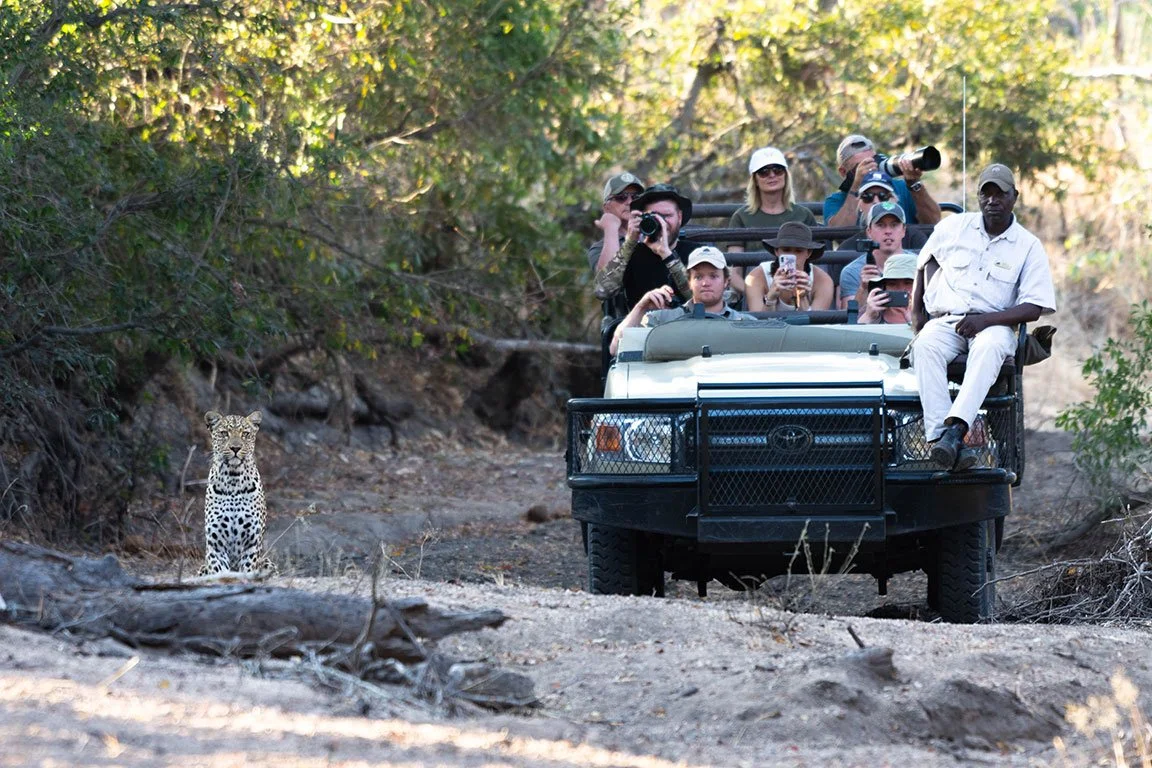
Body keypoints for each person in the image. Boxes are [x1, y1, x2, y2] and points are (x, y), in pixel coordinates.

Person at [910, 163, 1056, 471]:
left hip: (996, 324)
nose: (992, 200)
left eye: (1000, 193)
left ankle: (954, 431)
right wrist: (918, 319)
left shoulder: (1028, 245)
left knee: (989, 348)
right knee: (925, 346)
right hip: (949, 319)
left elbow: (1033, 307)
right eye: (986, 193)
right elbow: (923, 266)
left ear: (1014, 196)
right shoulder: (954, 227)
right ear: (978, 197)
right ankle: (943, 443)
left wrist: (985, 321)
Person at [610, 247, 750, 355]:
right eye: (698, 277)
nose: (705, 283)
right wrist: (641, 307)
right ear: (689, 281)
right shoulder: (662, 319)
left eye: (713, 276)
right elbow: (616, 348)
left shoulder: (745, 323)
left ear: (726, 281)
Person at [725, 147, 817, 299]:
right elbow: (735, 274)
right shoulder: (741, 217)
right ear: (754, 179)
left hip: (799, 293)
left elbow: (817, 266)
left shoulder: (804, 215)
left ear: (786, 175)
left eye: (778, 170)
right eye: (764, 171)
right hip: (755, 297)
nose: (772, 175)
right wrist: (760, 295)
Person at [594, 184, 698, 312]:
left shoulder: (697, 253)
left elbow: (702, 300)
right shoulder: (630, 254)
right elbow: (602, 291)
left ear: (680, 217)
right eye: (655, 217)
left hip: (688, 327)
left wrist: (667, 255)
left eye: (667, 216)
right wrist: (630, 242)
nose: (662, 222)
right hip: (641, 329)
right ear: (642, 219)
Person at [824, 134, 941, 228]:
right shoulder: (836, 201)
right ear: (843, 172)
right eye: (861, 166)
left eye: (872, 161)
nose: (869, 169)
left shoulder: (902, 188)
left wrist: (914, 184)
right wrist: (856, 186)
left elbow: (933, 221)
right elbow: (838, 232)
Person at [838, 200, 914, 309]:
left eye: (894, 225)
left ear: (904, 231)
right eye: (880, 225)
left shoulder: (920, 265)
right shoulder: (852, 272)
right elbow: (850, 320)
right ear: (869, 231)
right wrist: (863, 288)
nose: (888, 231)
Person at [743, 221, 834, 312]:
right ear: (776, 251)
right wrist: (771, 298)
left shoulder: (822, 280)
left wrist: (802, 298)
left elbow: (815, 324)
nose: (792, 256)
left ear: (809, 253)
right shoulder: (757, 276)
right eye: (786, 250)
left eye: (798, 251)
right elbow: (759, 324)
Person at [836, 171, 928, 253]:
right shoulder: (847, 247)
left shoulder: (915, 239)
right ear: (860, 205)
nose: (876, 201)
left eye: (883, 196)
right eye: (868, 196)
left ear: (895, 200)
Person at [587, 172, 645, 274]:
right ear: (606, 208)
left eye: (636, 197)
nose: (630, 202)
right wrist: (611, 229)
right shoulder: (599, 249)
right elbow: (606, 279)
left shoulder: (656, 232)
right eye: (621, 197)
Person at [857, 252, 917, 325]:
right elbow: (854, 335)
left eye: (908, 283)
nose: (901, 289)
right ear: (884, 287)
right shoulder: (873, 312)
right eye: (892, 284)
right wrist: (869, 316)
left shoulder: (930, 312)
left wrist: (912, 322)